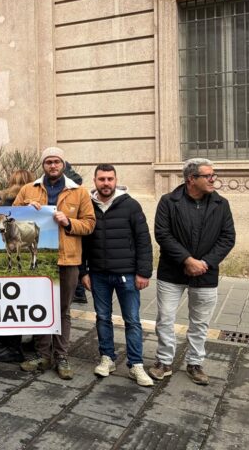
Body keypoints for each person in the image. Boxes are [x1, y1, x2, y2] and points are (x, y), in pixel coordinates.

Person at [149, 158, 235, 386]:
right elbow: (162, 234)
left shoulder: (221, 204)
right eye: (207, 176)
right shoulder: (168, 202)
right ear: (191, 179)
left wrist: (204, 263)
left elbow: (228, 238)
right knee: (165, 318)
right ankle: (164, 361)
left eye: (212, 175)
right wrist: (187, 259)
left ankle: (195, 363)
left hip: (206, 274)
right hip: (172, 272)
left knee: (200, 323)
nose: (212, 179)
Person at [15, 147, 95, 380]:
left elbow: (89, 224)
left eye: (56, 161)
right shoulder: (28, 189)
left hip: (67, 259)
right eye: (48, 162)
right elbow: (12, 216)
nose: (52, 165)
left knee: (62, 310)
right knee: (40, 307)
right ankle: (42, 354)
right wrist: (24, 211)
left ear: (63, 164)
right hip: (39, 260)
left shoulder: (78, 192)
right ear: (43, 165)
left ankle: (61, 355)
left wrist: (68, 222)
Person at [80, 164, 154, 387]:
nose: (106, 183)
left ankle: (136, 364)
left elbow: (143, 240)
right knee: (103, 317)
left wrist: (143, 272)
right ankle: (107, 358)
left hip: (127, 275)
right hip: (99, 274)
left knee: (132, 320)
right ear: (94, 181)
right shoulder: (88, 206)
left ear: (115, 180)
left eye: (109, 179)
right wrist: (83, 271)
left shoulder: (130, 205)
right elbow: (81, 241)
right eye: (101, 179)